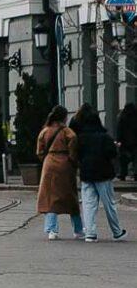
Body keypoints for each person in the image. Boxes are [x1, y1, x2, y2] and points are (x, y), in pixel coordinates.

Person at [72, 104, 127, 243]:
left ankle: (90, 233)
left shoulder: (81, 138)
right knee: (109, 204)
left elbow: (76, 155)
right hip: (103, 174)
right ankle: (117, 232)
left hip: (86, 173)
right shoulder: (104, 137)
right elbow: (112, 153)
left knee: (88, 204)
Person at [36, 105, 83, 241]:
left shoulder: (45, 131)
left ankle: (52, 230)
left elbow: (39, 152)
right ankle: (78, 230)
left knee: (50, 198)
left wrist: (47, 159)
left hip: (49, 164)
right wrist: (72, 161)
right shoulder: (68, 132)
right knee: (71, 197)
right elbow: (74, 146)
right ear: (64, 117)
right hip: (65, 164)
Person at [118, 103, 137, 180]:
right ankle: (136, 173)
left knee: (123, 159)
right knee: (135, 158)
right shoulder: (135, 117)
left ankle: (123, 174)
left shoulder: (122, 117)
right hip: (135, 142)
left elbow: (119, 130)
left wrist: (118, 140)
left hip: (124, 142)